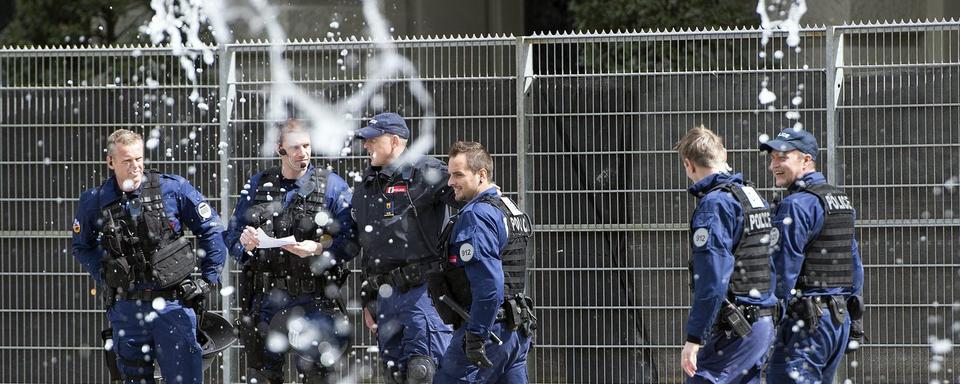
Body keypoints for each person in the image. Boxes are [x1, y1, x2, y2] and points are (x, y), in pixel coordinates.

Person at [72, 129, 226, 383]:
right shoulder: (95, 201)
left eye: (139, 159)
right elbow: (82, 246)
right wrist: (106, 272)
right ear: (111, 162)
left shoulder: (172, 188)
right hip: (127, 308)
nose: (135, 166)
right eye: (127, 161)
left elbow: (212, 230)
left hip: (174, 305)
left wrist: (208, 279)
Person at [225, 119, 359, 384]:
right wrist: (245, 243)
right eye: (295, 147)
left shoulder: (331, 186)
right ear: (280, 150)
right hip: (265, 299)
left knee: (315, 375)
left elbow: (352, 238)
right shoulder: (258, 185)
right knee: (262, 376)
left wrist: (320, 247)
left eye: (307, 146)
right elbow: (231, 236)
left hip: (314, 299)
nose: (303, 153)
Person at [351, 112, 456, 383]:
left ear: (395, 141)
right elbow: (369, 244)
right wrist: (368, 298)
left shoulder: (427, 172)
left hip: (423, 292)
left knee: (424, 372)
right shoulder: (366, 185)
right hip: (385, 296)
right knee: (394, 374)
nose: (366, 145)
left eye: (373, 139)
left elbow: (469, 199)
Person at [760, 127, 865, 383]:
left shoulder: (796, 205)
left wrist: (767, 324)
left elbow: (783, 271)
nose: (774, 164)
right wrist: (854, 320)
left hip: (806, 324)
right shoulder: (839, 200)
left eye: (782, 157)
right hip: (836, 321)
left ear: (806, 159)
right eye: (772, 157)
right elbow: (854, 264)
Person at [675, 126, 779, 383]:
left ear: (688, 165)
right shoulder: (752, 196)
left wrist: (694, 338)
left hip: (736, 328)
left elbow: (712, 278)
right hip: (762, 321)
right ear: (725, 155)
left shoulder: (714, 204)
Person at [431, 141, 536, 383]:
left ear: (481, 175)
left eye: (458, 174)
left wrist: (476, 335)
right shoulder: (508, 207)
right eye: (449, 175)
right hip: (515, 329)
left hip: (487, 328)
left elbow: (490, 284)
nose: (450, 183)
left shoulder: (477, 216)